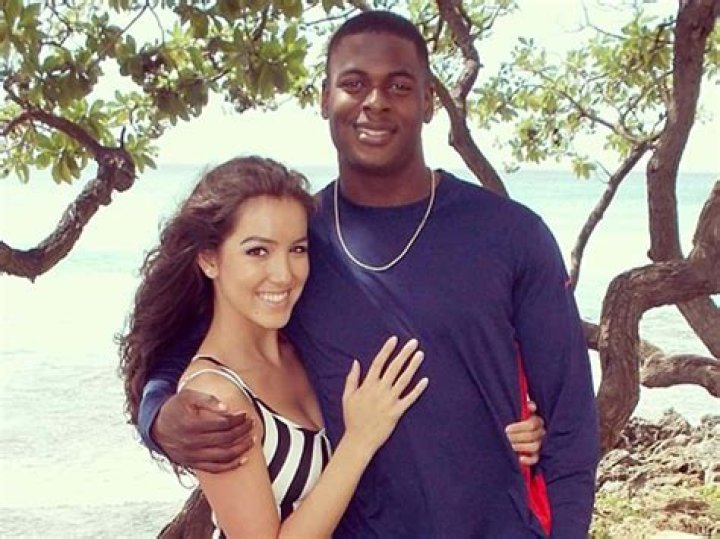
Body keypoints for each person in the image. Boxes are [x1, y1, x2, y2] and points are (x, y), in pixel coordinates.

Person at [135, 10, 599, 538]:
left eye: (399, 85)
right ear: (324, 98)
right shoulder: (298, 242)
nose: (375, 101)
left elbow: (570, 424)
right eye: (354, 84)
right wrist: (159, 417)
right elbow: (198, 335)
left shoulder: (511, 234)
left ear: (429, 101)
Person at [119, 156, 431, 537]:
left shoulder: (304, 347)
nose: (284, 274)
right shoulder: (215, 398)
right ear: (209, 259)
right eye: (257, 251)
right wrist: (359, 441)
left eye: (297, 249)